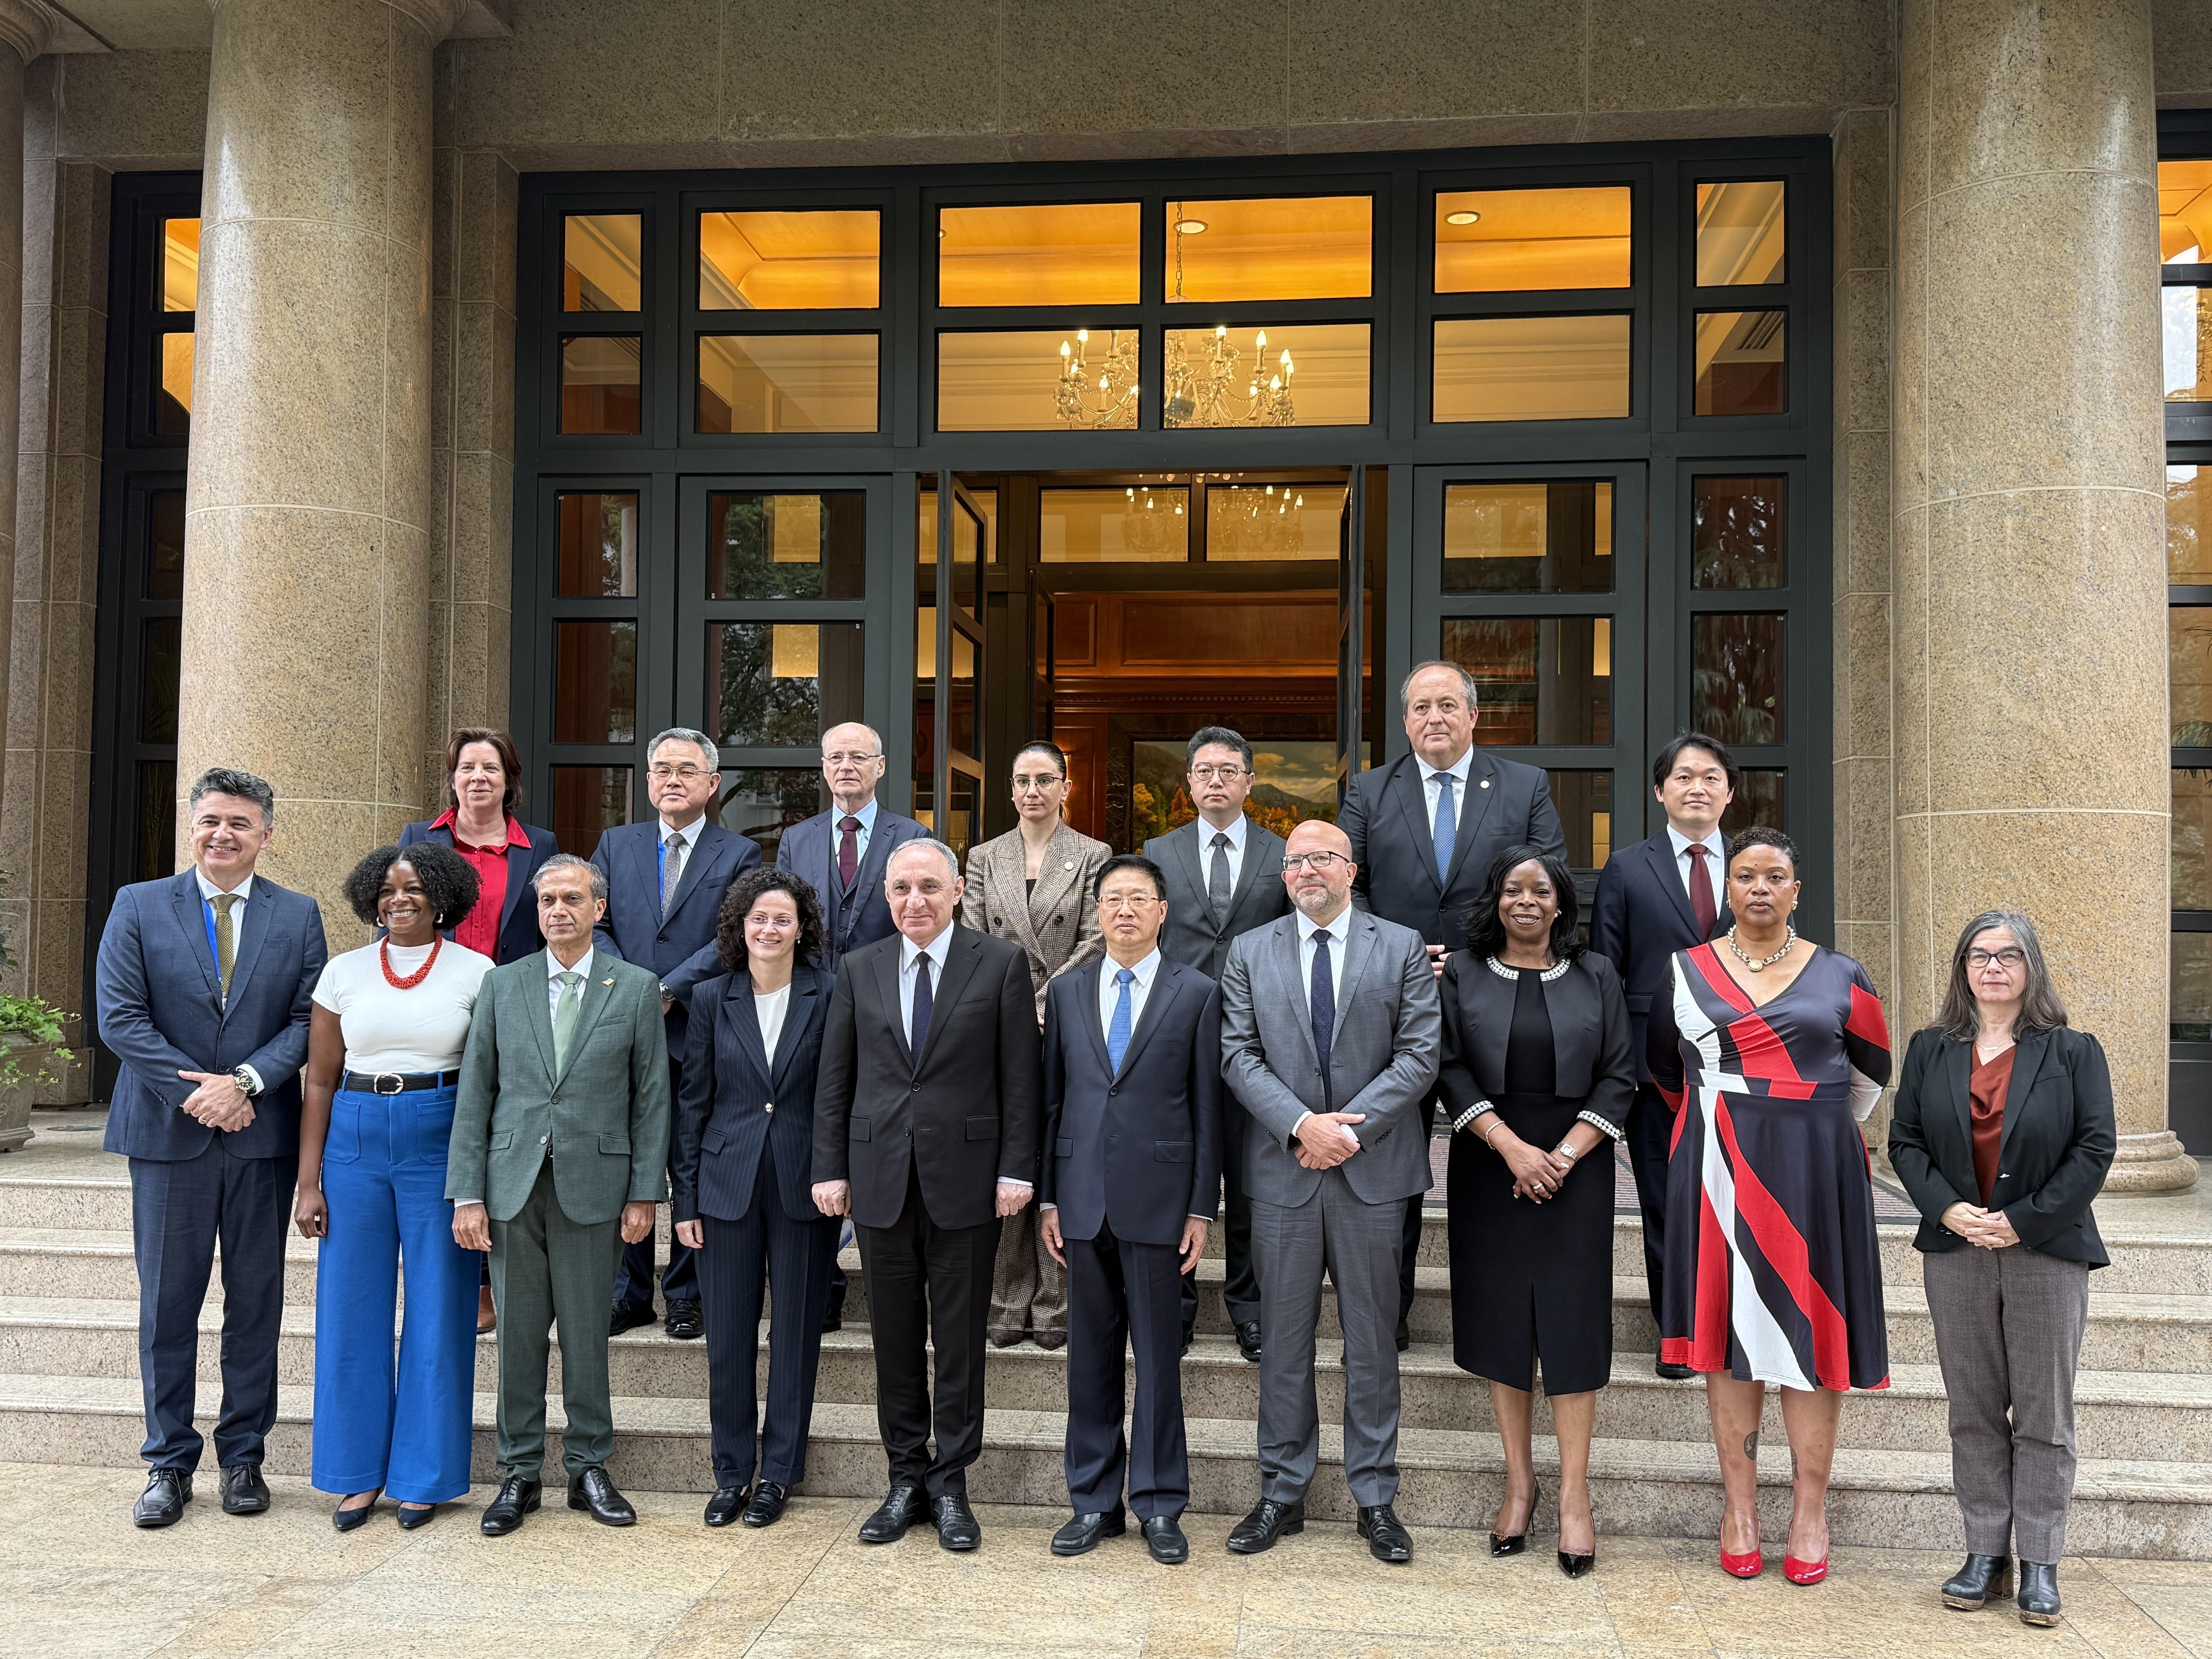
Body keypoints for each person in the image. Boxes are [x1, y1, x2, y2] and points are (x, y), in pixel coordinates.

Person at [1645, 826, 1892, 1586]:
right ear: (1727, 889)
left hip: (1816, 1173)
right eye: (1746, 875)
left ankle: (1810, 1513)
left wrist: (1804, 1123)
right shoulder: (1683, 970)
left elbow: (1871, 1073)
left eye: (1775, 876)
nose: (1759, 887)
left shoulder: (1843, 973)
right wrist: (1731, 1122)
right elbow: (1665, 1071)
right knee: (1728, 1334)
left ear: (1796, 890)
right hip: (1717, 1170)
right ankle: (1741, 1510)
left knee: (1811, 1333)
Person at [96, 767, 328, 1529]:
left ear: (266, 834)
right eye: (210, 821)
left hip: (261, 1140)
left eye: (239, 823)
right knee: (168, 1305)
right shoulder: (137, 906)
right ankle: (168, 1462)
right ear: (190, 827)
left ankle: (244, 1458)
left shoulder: (298, 915)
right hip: (169, 1138)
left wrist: (248, 1083)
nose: (222, 834)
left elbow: (309, 1019)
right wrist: (200, 1093)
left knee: (256, 1304)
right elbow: (120, 1017)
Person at [1218, 819, 1440, 1565]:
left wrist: (1348, 1132)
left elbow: (1420, 1054)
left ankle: (1375, 1498)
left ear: (1352, 870)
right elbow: (1237, 1055)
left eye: (1321, 858)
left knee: (1372, 1343)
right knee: (1284, 1342)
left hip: (1371, 1175)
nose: (1307, 870)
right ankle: (1282, 1492)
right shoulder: (1250, 951)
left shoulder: (1401, 947)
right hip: (1284, 1173)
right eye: (1294, 862)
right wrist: (1301, 1126)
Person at [811, 838, 1042, 1552]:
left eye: (930, 887)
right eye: (902, 889)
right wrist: (830, 1168)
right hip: (880, 1182)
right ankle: (905, 1479)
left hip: (968, 1183)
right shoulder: (860, 967)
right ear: (887, 896)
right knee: (895, 1340)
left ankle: (952, 1485)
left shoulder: (999, 964)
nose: (916, 901)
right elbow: (836, 1079)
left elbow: (1021, 1078)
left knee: (962, 1340)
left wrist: (1017, 1169)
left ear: (958, 891)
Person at [1887, 911, 2115, 1628]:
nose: (1993, 967)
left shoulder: (2074, 1052)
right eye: (1980, 955)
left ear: (2031, 968)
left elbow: (2094, 1149)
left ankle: (2040, 1561)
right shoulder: (1931, 1048)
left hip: (2045, 1251)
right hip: (1957, 1250)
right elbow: (1905, 1141)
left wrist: (2022, 1220)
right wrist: (1948, 1210)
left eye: (2009, 955)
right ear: (1963, 968)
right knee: (1974, 1409)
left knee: (2045, 1413)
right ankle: (1985, 1552)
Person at [1338, 660, 1566, 1352]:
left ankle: (1502, 1314)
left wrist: (1474, 953)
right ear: (1405, 720)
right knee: (1388, 1164)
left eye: (1446, 705)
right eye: (1420, 707)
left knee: (1496, 1152)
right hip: (1390, 1003)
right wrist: (1403, 951)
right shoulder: (1370, 791)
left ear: (1473, 716)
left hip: (1493, 997)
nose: (1433, 718)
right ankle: (1388, 1314)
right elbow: (1349, 884)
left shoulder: (1524, 785)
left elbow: (1546, 881)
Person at [447, 854, 672, 1536]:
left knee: (586, 1336)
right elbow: (476, 1093)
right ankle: (519, 1472)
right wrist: (467, 1193)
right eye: (548, 901)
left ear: (599, 909)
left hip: (596, 1188)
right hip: (512, 1188)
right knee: (518, 1338)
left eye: (572, 899)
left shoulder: (635, 988)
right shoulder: (502, 984)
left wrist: (645, 1193)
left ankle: (588, 1467)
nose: (558, 911)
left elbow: (651, 1099)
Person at [1436, 845, 1634, 1578]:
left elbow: (1619, 1075)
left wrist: (1563, 1156)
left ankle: (1576, 1497)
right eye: (1514, 889)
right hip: (1490, 1164)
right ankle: (1520, 1484)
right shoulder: (1462, 971)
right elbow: (1448, 1068)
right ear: (1496, 899)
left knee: (1572, 1326)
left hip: (1575, 1170)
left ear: (1560, 904)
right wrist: (1513, 1150)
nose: (1527, 901)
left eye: (1541, 891)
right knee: (1502, 1325)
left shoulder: (1597, 973)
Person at [294, 843, 493, 1532]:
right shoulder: (343, 972)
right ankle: (356, 1474)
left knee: (441, 1307)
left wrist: (475, 1183)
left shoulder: (478, 972)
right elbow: (320, 1079)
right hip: (354, 1135)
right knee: (351, 1307)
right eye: (385, 889)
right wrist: (309, 1182)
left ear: (441, 897)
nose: (398, 899)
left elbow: (489, 1082)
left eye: (412, 888)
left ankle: (423, 1475)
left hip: (440, 1132)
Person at [1038, 854, 1222, 1566]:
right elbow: (1055, 1101)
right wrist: (1050, 1196)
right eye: (1113, 898)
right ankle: (1093, 1501)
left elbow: (1208, 1110)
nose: (1124, 910)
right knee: (1088, 1359)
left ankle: (1159, 1503)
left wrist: (1201, 1208)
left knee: (1159, 1361)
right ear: (1098, 911)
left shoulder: (1197, 993)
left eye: (1139, 899)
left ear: (1162, 912)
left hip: (1161, 1203)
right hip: (1082, 1201)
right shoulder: (1068, 990)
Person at [670, 868, 841, 1530]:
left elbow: (841, 1094)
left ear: (802, 929)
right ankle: (732, 1472)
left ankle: (778, 1475)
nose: (770, 929)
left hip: (805, 1187)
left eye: (782, 919)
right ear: (740, 927)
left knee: (796, 1337)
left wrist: (839, 1174)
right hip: (725, 1186)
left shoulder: (830, 992)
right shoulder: (712, 997)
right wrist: (685, 1201)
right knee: (728, 1339)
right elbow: (694, 1103)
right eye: (758, 918)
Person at [590, 726, 761, 1341]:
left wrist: (668, 989)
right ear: (648, 780)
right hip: (625, 1031)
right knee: (627, 1162)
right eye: (662, 769)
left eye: (687, 770)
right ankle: (628, 1293)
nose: (673, 780)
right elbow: (593, 922)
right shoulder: (616, 844)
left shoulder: (739, 854)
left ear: (712, 784)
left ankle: (687, 1295)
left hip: (699, 1031)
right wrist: (635, 989)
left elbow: (734, 934)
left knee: (691, 1162)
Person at [766, 720, 928, 1334]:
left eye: (859, 757)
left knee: (879, 1129)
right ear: (824, 767)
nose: (846, 767)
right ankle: (825, 1286)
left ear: (880, 767)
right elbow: (786, 918)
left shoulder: (911, 836)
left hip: (887, 1009)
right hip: (812, 1005)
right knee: (819, 1131)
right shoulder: (797, 838)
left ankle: (894, 1270)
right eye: (835, 757)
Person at [400, 726, 562, 1334]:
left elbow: (549, 926)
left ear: (509, 779)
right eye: (467, 767)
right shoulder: (421, 839)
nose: (478, 778)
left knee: (499, 1137)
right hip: (434, 1005)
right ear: (453, 777)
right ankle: (438, 1274)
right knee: (439, 1133)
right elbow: (398, 917)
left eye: (490, 768)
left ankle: (488, 1283)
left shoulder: (538, 845)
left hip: (513, 1009)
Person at [1588, 733, 1737, 1379]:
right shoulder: (1627, 868)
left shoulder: (1759, 865)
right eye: (1683, 776)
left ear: (1729, 792)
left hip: (1744, 1064)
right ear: (1660, 790)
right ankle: (1677, 1331)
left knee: (1739, 1199)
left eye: (1711, 777)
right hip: (1656, 1073)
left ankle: (1738, 1323)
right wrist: (1616, 1070)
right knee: (1665, 1201)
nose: (1697, 787)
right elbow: (1606, 974)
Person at [1142, 725, 1290, 1362]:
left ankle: (1250, 1311)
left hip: (1259, 1040)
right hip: (1179, 1034)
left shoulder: (1281, 853)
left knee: (1251, 1183)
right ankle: (1175, 1309)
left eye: (1229, 771)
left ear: (1250, 782)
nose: (1216, 781)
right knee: (1176, 1177)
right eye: (1204, 771)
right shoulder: (1158, 850)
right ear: (1189, 782)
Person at [962, 739, 1111, 1352]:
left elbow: (1096, 940)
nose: (1032, 791)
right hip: (998, 1025)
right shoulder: (982, 856)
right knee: (1010, 1155)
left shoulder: (1094, 855)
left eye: (1045, 779)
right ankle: (1006, 1297)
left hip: (1065, 1025)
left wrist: (1042, 1006)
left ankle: (1055, 1301)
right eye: (1022, 780)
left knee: (1056, 1154)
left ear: (1066, 787)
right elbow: (973, 935)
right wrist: (1012, 1010)